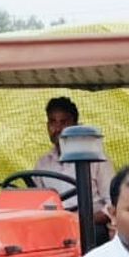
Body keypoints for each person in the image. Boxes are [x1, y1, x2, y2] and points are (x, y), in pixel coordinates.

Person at [33, 96, 115, 246]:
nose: (57, 129)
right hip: (54, 226)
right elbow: (37, 203)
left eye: (63, 122)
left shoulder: (97, 160)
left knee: (91, 235)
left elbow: (112, 204)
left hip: (90, 226)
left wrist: (80, 219)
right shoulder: (42, 164)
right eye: (52, 122)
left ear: (75, 125)